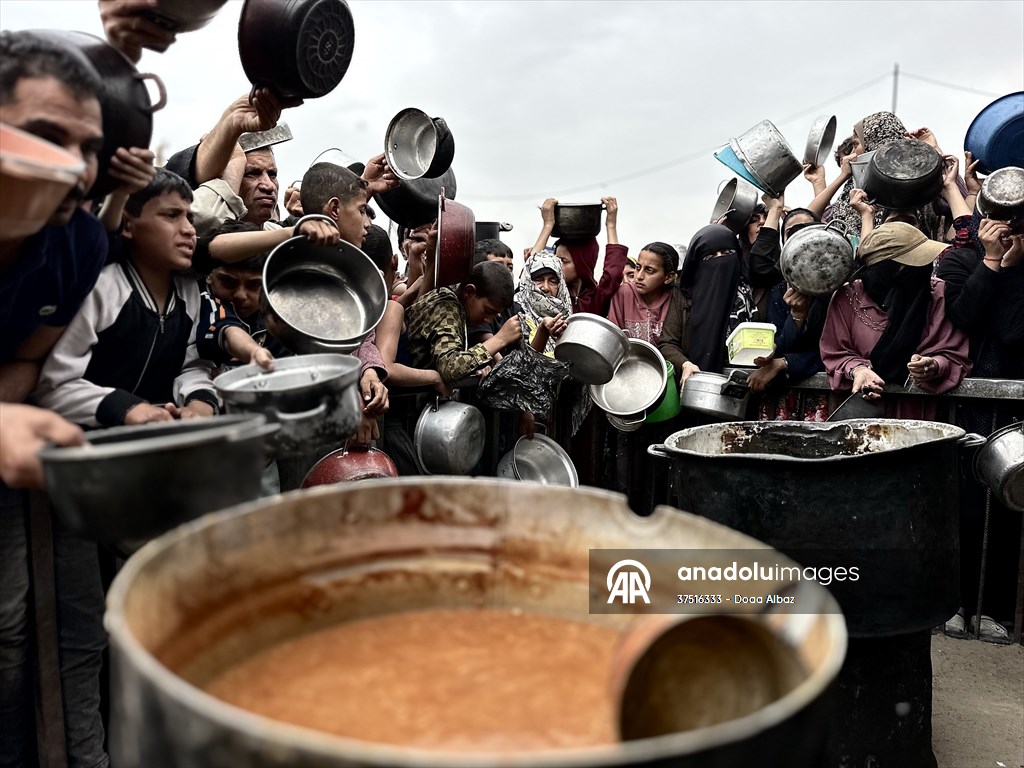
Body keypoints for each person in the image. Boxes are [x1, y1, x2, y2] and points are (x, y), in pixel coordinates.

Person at [0, 33, 111, 767]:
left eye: (89, 145)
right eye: (44, 137)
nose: (74, 166)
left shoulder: (81, 247)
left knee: (8, 623)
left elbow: (31, 359)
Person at [33, 169, 219, 426]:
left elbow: (191, 365)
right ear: (128, 224)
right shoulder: (100, 287)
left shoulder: (189, 291)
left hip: (159, 441)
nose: (188, 230)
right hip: (87, 443)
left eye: (189, 217)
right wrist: (124, 408)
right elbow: (52, 387)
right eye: (171, 215)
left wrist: (200, 401)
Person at [936, 218, 1023, 643]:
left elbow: (1012, 331)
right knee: (962, 508)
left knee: (1009, 510)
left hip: (1013, 414)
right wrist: (990, 263)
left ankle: (993, 609)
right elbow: (963, 317)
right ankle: (956, 603)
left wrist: (1013, 270)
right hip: (967, 408)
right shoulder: (959, 261)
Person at [819, 222, 972, 420]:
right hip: (861, 413)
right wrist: (858, 369)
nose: (922, 269)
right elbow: (834, 352)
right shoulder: (848, 298)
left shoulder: (937, 294)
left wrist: (935, 365)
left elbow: (956, 355)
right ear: (886, 268)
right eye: (911, 265)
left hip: (917, 414)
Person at [746, 208, 828, 393]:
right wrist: (797, 316)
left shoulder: (841, 286)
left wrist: (785, 363)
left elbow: (840, 351)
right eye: (791, 232)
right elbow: (780, 344)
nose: (800, 236)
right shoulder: (780, 290)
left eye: (806, 228)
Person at [405, 260, 521, 388]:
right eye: (488, 311)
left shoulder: (460, 308)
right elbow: (449, 367)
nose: (488, 320)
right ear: (469, 292)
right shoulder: (447, 307)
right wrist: (500, 339)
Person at [658, 224, 750, 383]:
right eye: (710, 256)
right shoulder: (684, 296)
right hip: (697, 387)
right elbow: (668, 343)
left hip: (747, 387)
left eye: (727, 253)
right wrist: (685, 364)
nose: (720, 260)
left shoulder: (750, 292)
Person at [530, 197, 628, 316]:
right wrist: (547, 226)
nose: (557, 266)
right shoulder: (550, 293)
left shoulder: (595, 298)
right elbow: (530, 271)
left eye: (564, 261)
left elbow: (613, 275)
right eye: (556, 259)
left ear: (582, 265)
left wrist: (611, 224)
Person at [607, 241, 680, 344]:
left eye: (649, 270)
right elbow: (613, 339)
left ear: (668, 277)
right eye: (638, 268)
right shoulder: (624, 293)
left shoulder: (676, 299)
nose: (639, 276)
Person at [514, 251, 571, 355]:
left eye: (552, 281)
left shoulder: (566, 314)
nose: (545, 287)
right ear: (528, 280)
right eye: (538, 279)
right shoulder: (516, 311)